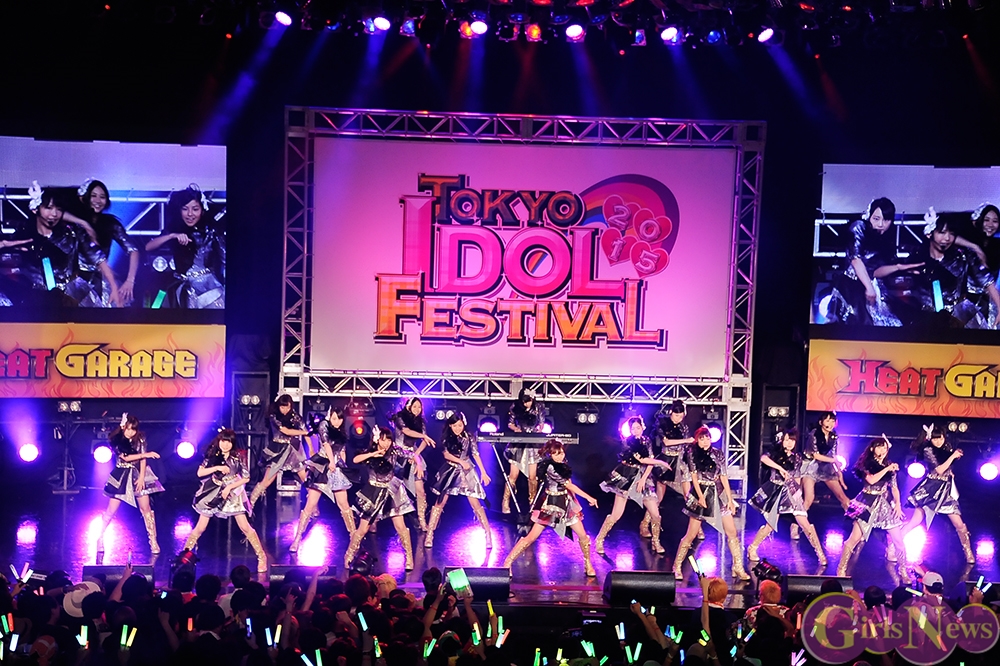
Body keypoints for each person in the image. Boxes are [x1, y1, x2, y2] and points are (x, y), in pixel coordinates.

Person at [7, 183, 121, 308]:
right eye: (49, 208)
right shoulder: (23, 235)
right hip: (34, 299)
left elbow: (98, 258)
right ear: (35, 209)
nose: (54, 214)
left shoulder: (72, 235)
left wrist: (113, 286)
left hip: (68, 298)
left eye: (59, 209)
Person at [503, 438, 599, 576]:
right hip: (551, 504)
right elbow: (569, 485)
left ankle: (588, 564)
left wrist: (574, 502)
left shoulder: (562, 464)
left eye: (561, 453)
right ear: (550, 455)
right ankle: (508, 562)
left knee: (583, 535)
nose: (560, 456)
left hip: (566, 503)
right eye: (556, 454)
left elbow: (569, 484)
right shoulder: (550, 467)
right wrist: (589, 497)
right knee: (531, 537)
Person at [888, 211, 1000, 329]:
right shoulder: (917, 258)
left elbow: (987, 280)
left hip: (957, 319)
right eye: (942, 233)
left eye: (951, 234)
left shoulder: (963, 257)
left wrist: (999, 307)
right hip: (924, 320)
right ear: (929, 234)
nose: (947, 238)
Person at [183, 428, 268, 574]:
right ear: (219, 441)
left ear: (232, 443)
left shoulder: (238, 457)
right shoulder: (212, 455)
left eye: (229, 442)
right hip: (214, 491)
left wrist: (229, 487)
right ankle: (185, 556)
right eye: (223, 441)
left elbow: (246, 478)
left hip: (233, 492)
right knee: (200, 527)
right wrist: (217, 467)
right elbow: (200, 473)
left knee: (245, 527)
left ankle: (262, 557)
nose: (225, 445)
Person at [673, 426, 750, 581]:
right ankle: (677, 565)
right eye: (702, 439)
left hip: (718, 494)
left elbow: (723, 476)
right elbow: (694, 477)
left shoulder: (718, 453)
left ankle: (738, 566)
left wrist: (730, 499)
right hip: (701, 492)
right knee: (691, 534)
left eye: (707, 438)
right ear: (697, 440)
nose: (705, 441)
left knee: (732, 532)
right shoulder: (692, 453)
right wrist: (700, 497)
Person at [747, 429, 826, 565]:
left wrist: (798, 494)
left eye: (792, 440)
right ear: (782, 440)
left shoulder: (797, 457)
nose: (790, 443)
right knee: (770, 525)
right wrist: (781, 469)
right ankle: (752, 548)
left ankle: (820, 554)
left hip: (791, 491)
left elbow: (797, 477)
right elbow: (763, 459)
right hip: (776, 490)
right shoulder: (774, 453)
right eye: (787, 439)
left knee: (805, 523)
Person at [594, 416, 670, 555]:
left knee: (655, 514)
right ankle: (600, 539)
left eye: (638, 428)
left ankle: (656, 541)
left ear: (642, 427)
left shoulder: (647, 440)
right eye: (633, 428)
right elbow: (642, 459)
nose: (636, 431)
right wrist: (661, 462)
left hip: (643, 477)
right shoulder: (627, 442)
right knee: (616, 514)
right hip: (627, 476)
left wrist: (644, 479)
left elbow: (650, 461)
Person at [343, 427, 416, 571]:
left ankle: (409, 558)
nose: (386, 443)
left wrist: (416, 462)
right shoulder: (370, 453)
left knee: (400, 526)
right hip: (374, 492)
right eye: (383, 440)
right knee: (363, 528)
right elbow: (355, 459)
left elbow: (411, 454)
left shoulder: (394, 451)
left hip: (392, 491)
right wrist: (374, 454)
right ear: (377, 440)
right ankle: (349, 555)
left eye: (389, 440)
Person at [901, 424, 973, 564]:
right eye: (935, 439)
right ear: (930, 439)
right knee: (915, 521)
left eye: (940, 438)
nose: (938, 441)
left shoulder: (947, 449)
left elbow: (947, 468)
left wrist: (951, 470)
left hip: (946, 490)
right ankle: (893, 547)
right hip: (931, 489)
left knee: (959, 524)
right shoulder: (928, 450)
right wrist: (952, 456)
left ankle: (968, 552)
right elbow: (939, 470)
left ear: (944, 437)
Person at [94, 413, 165, 556]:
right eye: (128, 429)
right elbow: (126, 458)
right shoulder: (117, 440)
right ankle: (100, 537)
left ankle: (153, 541)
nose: (131, 432)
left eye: (133, 429)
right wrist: (146, 455)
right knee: (111, 510)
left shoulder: (140, 439)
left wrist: (142, 476)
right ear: (123, 427)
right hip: (121, 475)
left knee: (146, 509)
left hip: (138, 474)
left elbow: (143, 460)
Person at [838, 437, 908, 582]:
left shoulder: (889, 465)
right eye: (879, 447)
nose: (883, 450)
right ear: (872, 449)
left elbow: (894, 488)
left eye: (885, 448)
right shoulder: (866, 464)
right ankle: (841, 568)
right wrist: (887, 469)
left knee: (899, 541)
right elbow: (871, 480)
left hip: (883, 505)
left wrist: (898, 504)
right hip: (866, 503)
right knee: (854, 539)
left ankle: (903, 570)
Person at [144, 184, 225, 309]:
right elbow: (148, 247)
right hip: (180, 287)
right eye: (185, 209)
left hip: (208, 287)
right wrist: (171, 236)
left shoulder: (211, 231)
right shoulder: (174, 229)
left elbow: (224, 257)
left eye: (195, 209)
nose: (190, 214)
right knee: (160, 308)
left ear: (202, 210)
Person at [63, 179, 140, 306]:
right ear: (84, 198)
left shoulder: (111, 224)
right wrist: (84, 223)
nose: (98, 201)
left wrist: (130, 281)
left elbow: (133, 250)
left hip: (102, 279)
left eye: (102, 197)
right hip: (75, 280)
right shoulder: (75, 223)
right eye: (93, 196)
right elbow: (58, 214)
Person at [828, 197, 905, 325]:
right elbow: (855, 259)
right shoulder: (859, 227)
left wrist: (901, 267)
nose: (881, 224)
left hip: (877, 290)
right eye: (876, 219)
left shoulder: (886, 239)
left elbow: (879, 270)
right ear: (869, 216)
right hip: (852, 287)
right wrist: (869, 288)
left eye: (886, 220)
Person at [290, 406, 356, 552]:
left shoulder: (341, 432)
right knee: (310, 504)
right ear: (329, 417)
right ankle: (297, 538)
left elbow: (342, 451)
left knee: (344, 504)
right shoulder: (324, 425)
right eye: (334, 418)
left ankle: (354, 538)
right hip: (322, 466)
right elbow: (326, 445)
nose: (337, 421)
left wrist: (343, 467)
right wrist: (332, 461)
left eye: (340, 419)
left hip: (336, 467)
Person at [425, 413, 492, 548]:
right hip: (451, 470)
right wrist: (460, 462)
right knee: (440, 502)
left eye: (460, 425)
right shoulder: (446, 437)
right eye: (455, 426)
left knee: (475, 503)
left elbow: (475, 454)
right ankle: (429, 534)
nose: (457, 428)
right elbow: (446, 455)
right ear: (450, 425)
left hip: (467, 471)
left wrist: (483, 472)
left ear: (464, 424)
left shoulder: (469, 436)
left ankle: (488, 534)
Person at [640, 400, 697, 539]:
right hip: (666, 461)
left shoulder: (683, 426)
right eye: (676, 415)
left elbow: (687, 446)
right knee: (658, 498)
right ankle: (645, 524)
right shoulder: (663, 423)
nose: (678, 418)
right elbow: (666, 442)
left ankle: (696, 527)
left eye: (681, 416)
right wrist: (685, 441)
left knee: (688, 495)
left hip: (680, 460)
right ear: (671, 412)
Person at [796, 411, 850, 540]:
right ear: (821, 422)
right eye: (827, 420)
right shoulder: (813, 434)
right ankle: (796, 525)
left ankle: (855, 524)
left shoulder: (834, 436)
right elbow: (815, 455)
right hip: (810, 466)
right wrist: (834, 461)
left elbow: (833, 455)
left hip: (826, 467)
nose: (830, 424)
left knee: (842, 497)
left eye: (832, 421)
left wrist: (838, 472)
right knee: (809, 498)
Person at [250, 394, 309, 505]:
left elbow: (306, 431)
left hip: (294, 449)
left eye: (288, 407)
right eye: (282, 407)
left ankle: (312, 507)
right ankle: (250, 504)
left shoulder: (296, 416)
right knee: (267, 480)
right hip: (278, 449)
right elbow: (286, 431)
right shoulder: (274, 417)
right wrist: (304, 432)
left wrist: (311, 448)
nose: (285, 410)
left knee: (305, 478)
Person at [392, 397, 436, 531]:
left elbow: (424, 441)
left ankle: (422, 520)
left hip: (414, 455)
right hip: (399, 456)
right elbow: (406, 431)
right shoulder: (400, 417)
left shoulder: (421, 422)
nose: (417, 409)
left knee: (421, 491)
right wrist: (423, 436)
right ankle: (375, 520)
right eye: (415, 406)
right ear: (408, 407)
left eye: (419, 407)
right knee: (394, 491)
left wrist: (416, 454)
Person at [503, 388, 546, 513]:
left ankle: (532, 503)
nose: (527, 404)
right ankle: (505, 502)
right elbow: (510, 423)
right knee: (513, 475)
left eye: (529, 401)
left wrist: (538, 430)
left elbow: (542, 424)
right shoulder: (515, 407)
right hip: (518, 443)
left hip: (533, 443)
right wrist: (516, 429)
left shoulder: (539, 407)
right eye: (524, 401)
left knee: (532, 476)